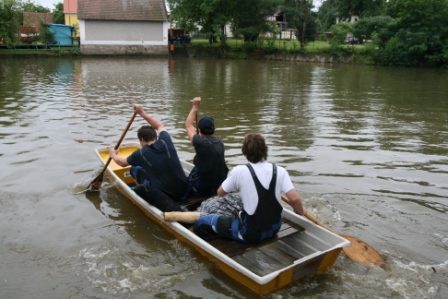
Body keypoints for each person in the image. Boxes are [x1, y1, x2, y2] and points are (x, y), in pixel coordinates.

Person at [192, 132, 307, 244]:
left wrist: (237, 184)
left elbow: (221, 192)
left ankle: (209, 241)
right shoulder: (280, 171)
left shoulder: (239, 171)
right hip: (275, 228)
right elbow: (295, 199)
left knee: (201, 222)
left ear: (245, 152)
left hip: (251, 234)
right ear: (265, 150)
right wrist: (300, 211)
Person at [109, 104, 188, 212]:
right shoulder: (165, 140)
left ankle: (140, 194)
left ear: (142, 139)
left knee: (134, 169)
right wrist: (142, 113)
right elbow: (159, 125)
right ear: (155, 136)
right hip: (185, 190)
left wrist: (113, 154)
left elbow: (122, 163)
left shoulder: (140, 154)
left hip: (167, 197)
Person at [184, 97, 228, 198]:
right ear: (214, 129)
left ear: (199, 130)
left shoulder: (200, 143)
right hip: (219, 185)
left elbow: (188, 126)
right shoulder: (220, 141)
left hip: (203, 190)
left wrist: (195, 106)